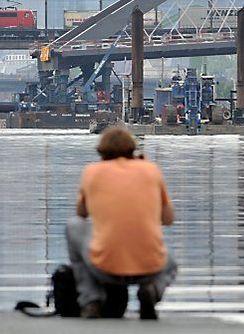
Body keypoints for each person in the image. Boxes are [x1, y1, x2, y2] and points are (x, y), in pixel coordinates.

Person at [66, 127, 177, 319]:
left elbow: (81, 214)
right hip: (149, 269)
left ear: (101, 151)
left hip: (103, 268)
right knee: (171, 263)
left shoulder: (91, 171)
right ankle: (152, 290)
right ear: (132, 149)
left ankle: (91, 299)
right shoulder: (151, 170)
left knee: (74, 226)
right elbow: (168, 219)